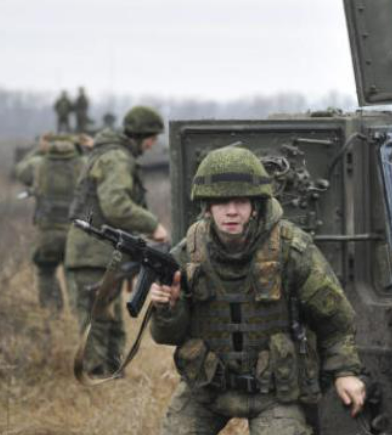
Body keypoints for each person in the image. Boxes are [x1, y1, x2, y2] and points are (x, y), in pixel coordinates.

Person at [149, 147, 366, 435]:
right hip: (207, 389)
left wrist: (345, 372)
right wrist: (168, 308)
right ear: (207, 206)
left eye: (241, 201)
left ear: (256, 205)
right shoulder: (188, 254)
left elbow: (335, 319)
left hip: (275, 392)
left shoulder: (291, 249)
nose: (231, 211)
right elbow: (166, 336)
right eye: (221, 201)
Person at [65, 105, 169, 377]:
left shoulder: (112, 154)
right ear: (141, 135)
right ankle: (97, 376)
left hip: (99, 252)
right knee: (97, 317)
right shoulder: (117, 159)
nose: (153, 144)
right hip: (93, 252)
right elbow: (116, 205)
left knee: (108, 316)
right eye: (152, 137)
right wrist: (152, 225)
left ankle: (112, 373)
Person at [14, 134, 88, 314]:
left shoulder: (38, 164)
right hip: (77, 231)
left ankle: (52, 314)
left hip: (48, 232)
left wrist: (39, 149)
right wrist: (81, 148)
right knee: (75, 273)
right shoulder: (84, 164)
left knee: (46, 270)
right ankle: (79, 316)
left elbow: (20, 171)